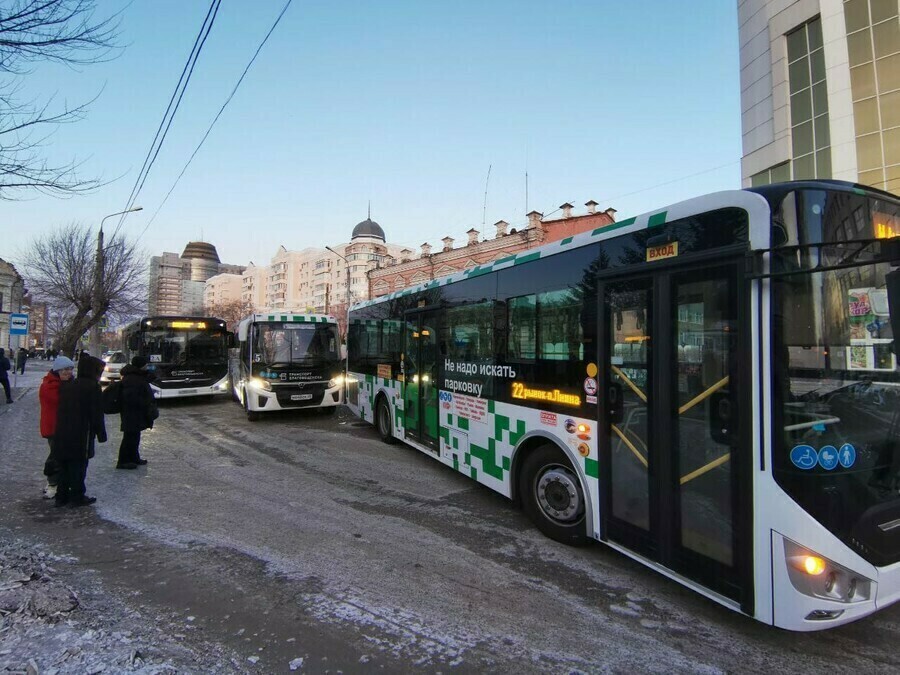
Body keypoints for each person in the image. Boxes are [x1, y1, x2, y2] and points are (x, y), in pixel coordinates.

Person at [53, 355, 106, 506]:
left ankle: (61, 497)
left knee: (64, 466)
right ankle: (76, 497)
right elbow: (96, 413)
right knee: (79, 466)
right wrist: (101, 433)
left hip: (62, 431)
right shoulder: (92, 387)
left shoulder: (69, 385)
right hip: (81, 433)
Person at [39, 355, 76, 498]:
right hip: (54, 428)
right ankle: (52, 484)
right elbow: (63, 402)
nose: (68, 372)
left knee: (60, 456)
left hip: (65, 427)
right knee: (55, 457)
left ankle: (59, 483)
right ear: (58, 370)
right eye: (65, 369)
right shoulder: (49, 386)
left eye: (71, 369)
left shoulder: (67, 383)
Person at [117, 355, 158, 469]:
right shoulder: (132, 378)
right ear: (140, 365)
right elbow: (132, 397)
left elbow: (149, 379)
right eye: (145, 364)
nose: (147, 366)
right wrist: (144, 403)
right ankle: (123, 461)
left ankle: (134, 457)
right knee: (129, 437)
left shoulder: (136, 376)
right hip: (131, 412)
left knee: (135, 436)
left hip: (135, 412)